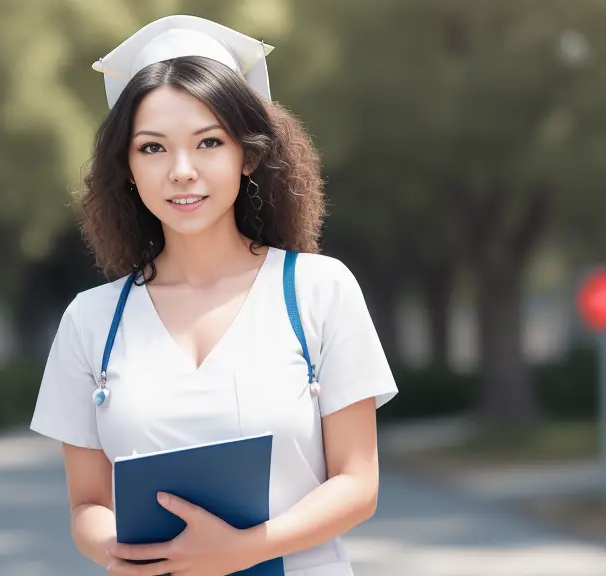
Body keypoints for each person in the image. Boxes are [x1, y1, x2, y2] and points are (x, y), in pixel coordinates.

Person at [30, 14, 398, 576]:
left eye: (208, 142)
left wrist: (245, 549)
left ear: (247, 155)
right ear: (126, 167)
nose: (182, 171)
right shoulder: (91, 320)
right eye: (152, 148)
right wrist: (121, 550)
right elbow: (88, 504)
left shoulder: (319, 291)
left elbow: (358, 483)